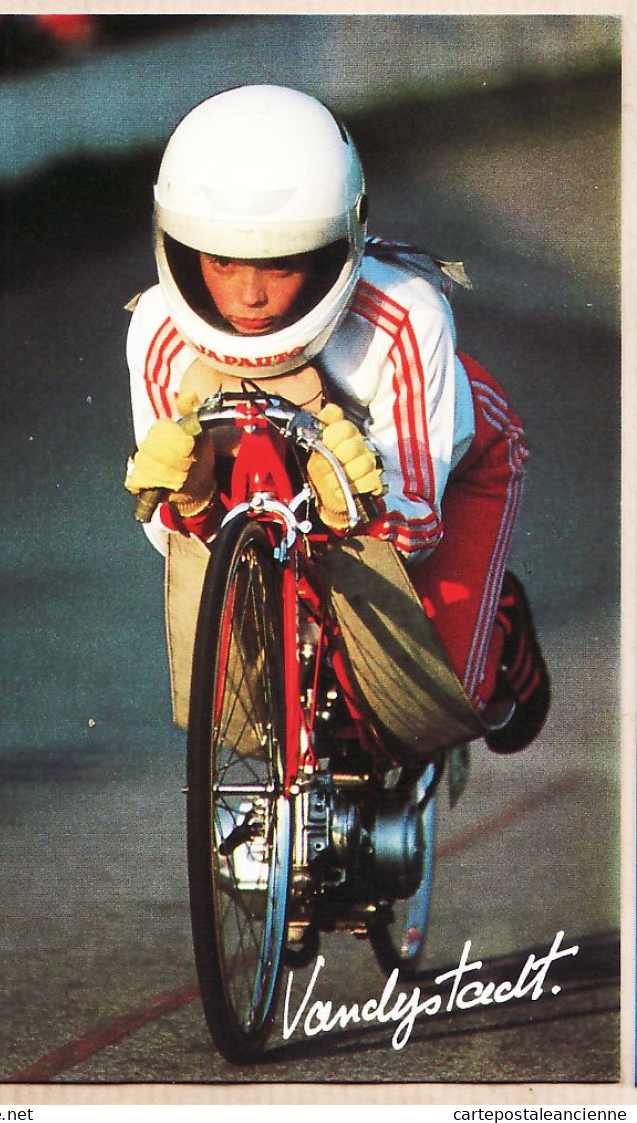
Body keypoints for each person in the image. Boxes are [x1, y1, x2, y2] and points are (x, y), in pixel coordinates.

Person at [124, 83, 550, 754]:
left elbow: (418, 527)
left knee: (424, 711)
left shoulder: (407, 314)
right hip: (286, 485)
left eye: (283, 262)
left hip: (449, 474)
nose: (248, 294)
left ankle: (503, 624)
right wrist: (192, 493)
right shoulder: (156, 328)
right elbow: (172, 546)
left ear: (333, 246)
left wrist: (357, 491)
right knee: (241, 710)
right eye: (220, 259)